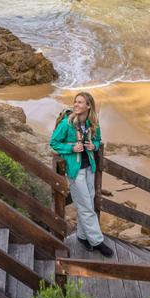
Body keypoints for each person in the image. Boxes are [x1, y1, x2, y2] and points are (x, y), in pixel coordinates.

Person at [50, 92, 113, 257]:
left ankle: (82, 236)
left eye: (80, 102)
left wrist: (94, 146)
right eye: (75, 102)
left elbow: (98, 139)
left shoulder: (93, 124)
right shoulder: (67, 123)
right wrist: (71, 148)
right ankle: (97, 241)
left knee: (87, 203)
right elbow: (54, 142)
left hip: (90, 168)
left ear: (88, 106)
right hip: (75, 170)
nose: (76, 105)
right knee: (86, 206)